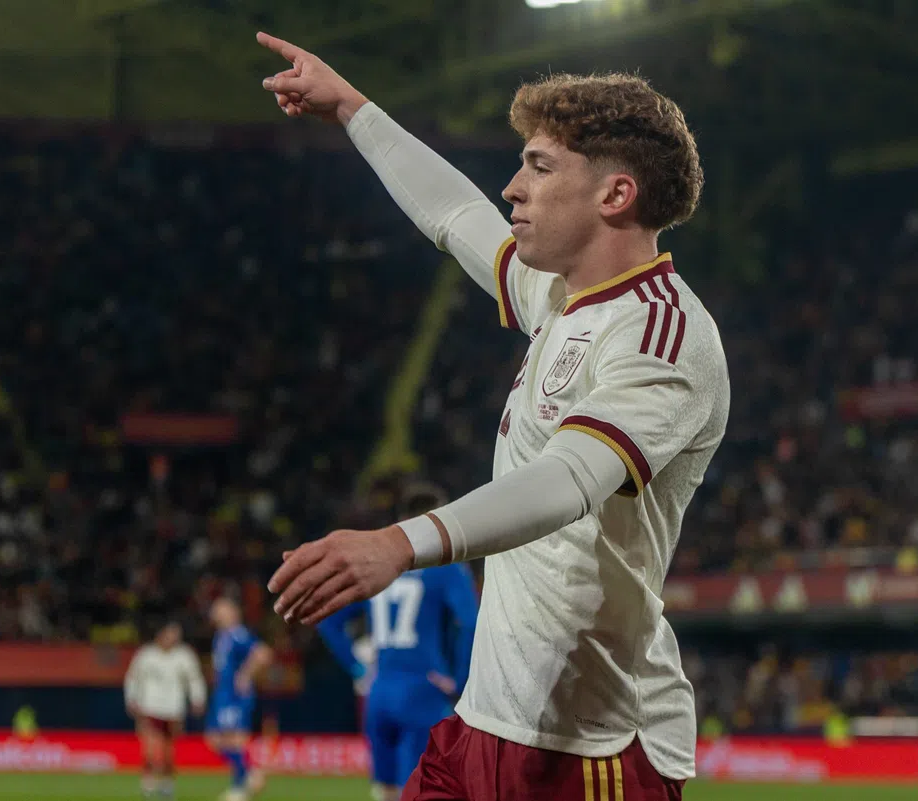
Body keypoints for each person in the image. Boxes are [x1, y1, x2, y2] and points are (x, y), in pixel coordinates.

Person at [257, 32, 728, 801]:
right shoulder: (560, 297)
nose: (512, 188)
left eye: (539, 167)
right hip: (482, 723)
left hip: (590, 747)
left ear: (615, 196)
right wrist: (351, 107)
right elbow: (453, 213)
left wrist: (399, 543)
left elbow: (571, 479)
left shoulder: (662, 334)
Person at [317, 483, 479, 800]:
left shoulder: (378, 566)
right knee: (425, 789)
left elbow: (328, 620)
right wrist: (460, 681)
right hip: (423, 689)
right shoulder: (446, 568)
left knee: (386, 790)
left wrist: (358, 669)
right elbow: (471, 623)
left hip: (379, 691)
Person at [125, 618, 207, 799]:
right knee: (149, 746)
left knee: (169, 750)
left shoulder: (184, 656)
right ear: (161, 634)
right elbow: (133, 677)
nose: (173, 638)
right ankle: (148, 780)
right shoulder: (146, 655)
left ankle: (167, 783)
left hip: (173, 709)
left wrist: (198, 699)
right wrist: (131, 698)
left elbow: (194, 679)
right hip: (150, 706)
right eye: (170, 633)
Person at [205, 598, 272, 801]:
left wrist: (245, 674)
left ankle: (239, 788)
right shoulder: (221, 636)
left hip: (234, 696)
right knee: (214, 740)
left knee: (235, 740)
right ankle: (250, 773)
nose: (216, 614)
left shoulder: (238, 634)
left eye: (220, 609)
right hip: (223, 694)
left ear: (232, 612)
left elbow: (263, 653)